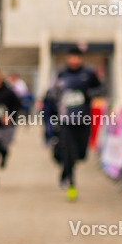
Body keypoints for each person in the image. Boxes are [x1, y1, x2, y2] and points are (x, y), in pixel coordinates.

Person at [43, 46, 101, 201]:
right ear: (68, 58)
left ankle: (65, 171)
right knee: (68, 150)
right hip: (65, 120)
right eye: (71, 57)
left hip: (83, 120)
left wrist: (92, 94)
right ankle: (71, 182)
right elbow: (50, 94)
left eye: (77, 57)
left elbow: (100, 89)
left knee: (80, 154)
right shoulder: (60, 74)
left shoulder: (88, 74)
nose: (74, 60)